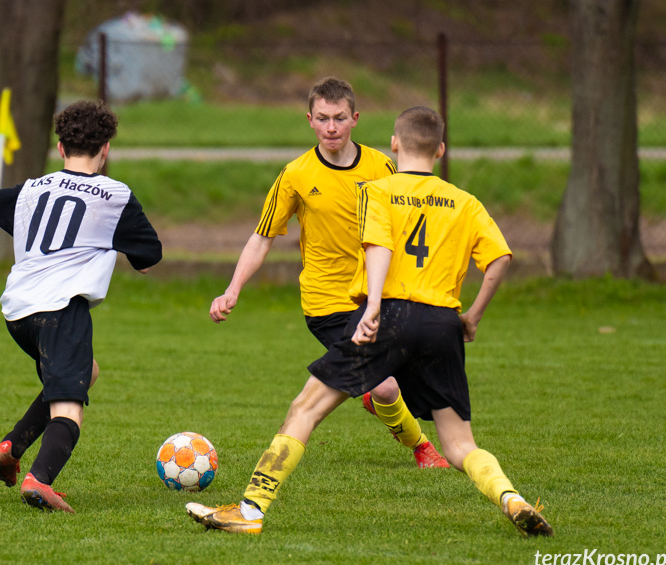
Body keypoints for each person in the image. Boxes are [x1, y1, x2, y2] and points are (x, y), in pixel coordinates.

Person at [187, 106, 553, 537]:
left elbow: (378, 247)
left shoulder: (378, 190)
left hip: (389, 314)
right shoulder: (465, 201)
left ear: (395, 144)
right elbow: (500, 259)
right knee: (459, 444)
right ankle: (512, 499)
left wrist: (374, 305)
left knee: (305, 409)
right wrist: (472, 316)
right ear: (440, 149)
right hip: (442, 322)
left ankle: (250, 510)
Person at [0, 100, 162, 513]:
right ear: (106, 149)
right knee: (70, 404)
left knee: (86, 372)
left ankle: (11, 447)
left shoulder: (31, 189)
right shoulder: (116, 196)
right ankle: (39, 480)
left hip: (19, 314)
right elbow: (149, 260)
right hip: (62, 311)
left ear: (60, 148)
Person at [209, 77, 448, 468]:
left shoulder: (382, 166)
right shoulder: (296, 175)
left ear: (355, 118)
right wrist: (232, 289)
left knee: (391, 388)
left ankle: (379, 399)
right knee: (386, 385)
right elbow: (261, 237)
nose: (331, 127)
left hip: (377, 296)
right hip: (326, 303)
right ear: (310, 120)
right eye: (323, 119)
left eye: (339, 118)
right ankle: (424, 449)